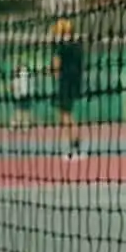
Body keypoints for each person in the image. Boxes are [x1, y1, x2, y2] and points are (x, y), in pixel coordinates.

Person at [51, 19, 84, 160]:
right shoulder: (77, 45)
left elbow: (56, 66)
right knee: (65, 115)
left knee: (66, 116)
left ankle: (74, 146)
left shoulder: (61, 46)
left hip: (65, 83)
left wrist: (55, 72)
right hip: (74, 83)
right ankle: (74, 144)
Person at [10, 62, 33, 130]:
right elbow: (12, 87)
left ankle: (24, 125)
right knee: (18, 110)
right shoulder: (16, 78)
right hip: (19, 96)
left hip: (25, 95)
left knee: (25, 111)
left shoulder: (28, 77)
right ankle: (15, 124)